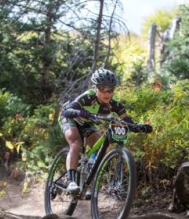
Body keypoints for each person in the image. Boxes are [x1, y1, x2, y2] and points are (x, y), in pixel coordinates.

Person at [60, 68, 153, 196]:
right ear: (96, 88)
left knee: (100, 144)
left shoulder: (115, 105)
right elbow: (67, 111)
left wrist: (138, 127)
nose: (107, 93)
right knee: (76, 142)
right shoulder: (87, 97)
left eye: (111, 89)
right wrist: (81, 112)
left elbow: (127, 120)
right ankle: (71, 181)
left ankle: (88, 175)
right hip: (70, 118)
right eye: (103, 88)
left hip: (87, 123)